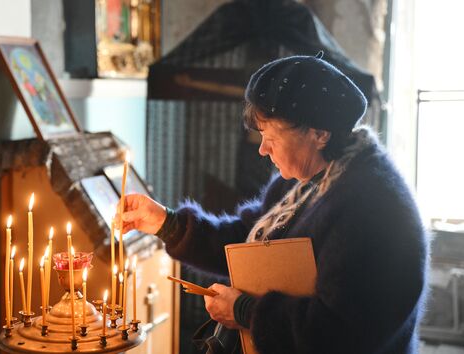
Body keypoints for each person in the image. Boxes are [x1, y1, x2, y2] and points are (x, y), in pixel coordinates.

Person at [117, 53, 428, 354]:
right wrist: (165, 222)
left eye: (272, 137)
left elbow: (340, 333)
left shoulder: (374, 210)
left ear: (319, 134)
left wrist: (244, 311)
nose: (263, 150)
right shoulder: (306, 175)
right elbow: (248, 242)